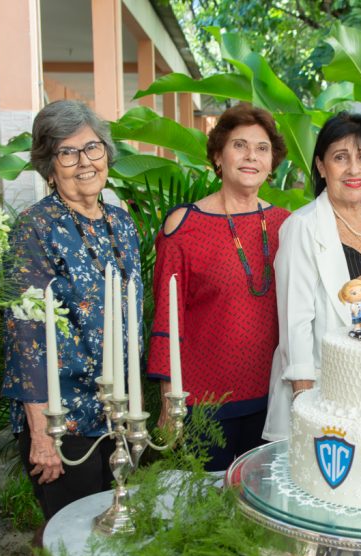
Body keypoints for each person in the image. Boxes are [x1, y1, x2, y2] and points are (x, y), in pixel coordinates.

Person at [1, 99, 141, 556]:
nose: (84, 161)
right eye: (68, 152)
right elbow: (25, 333)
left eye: (92, 147)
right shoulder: (34, 229)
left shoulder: (119, 220)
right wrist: (40, 432)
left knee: (115, 525)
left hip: (117, 408)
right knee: (68, 535)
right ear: (48, 162)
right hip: (62, 413)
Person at [147, 103, 290, 471]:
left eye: (262, 149)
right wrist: (169, 402)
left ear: (272, 162)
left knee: (261, 512)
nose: (251, 157)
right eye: (239, 145)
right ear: (217, 155)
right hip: (202, 404)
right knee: (206, 517)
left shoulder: (287, 226)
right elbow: (167, 316)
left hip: (273, 401)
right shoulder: (184, 226)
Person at [262, 112, 361, 442]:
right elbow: (294, 321)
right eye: (341, 157)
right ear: (322, 167)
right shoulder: (303, 227)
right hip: (321, 394)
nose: (354, 169)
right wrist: (305, 405)